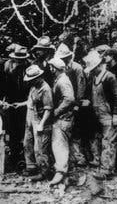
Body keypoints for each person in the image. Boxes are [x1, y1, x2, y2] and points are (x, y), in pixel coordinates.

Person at [85, 49, 117, 179]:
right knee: (99, 138)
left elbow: (116, 98)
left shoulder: (109, 77)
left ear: (100, 65)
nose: (93, 71)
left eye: (94, 68)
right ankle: (100, 163)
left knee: (109, 142)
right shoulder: (94, 77)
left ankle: (107, 170)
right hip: (97, 113)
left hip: (108, 115)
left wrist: (116, 115)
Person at [22, 64, 53, 182]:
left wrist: (41, 124)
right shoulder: (33, 87)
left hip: (40, 119)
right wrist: (20, 104)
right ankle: (31, 166)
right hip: (30, 116)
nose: (31, 82)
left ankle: (44, 172)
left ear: (39, 77)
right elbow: (30, 101)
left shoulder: (45, 89)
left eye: (33, 80)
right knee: (27, 142)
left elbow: (48, 109)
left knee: (40, 148)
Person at [48, 57, 75, 185]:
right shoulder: (60, 79)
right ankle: (63, 171)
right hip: (63, 117)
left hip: (63, 118)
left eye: (52, 67)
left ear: (56, 68)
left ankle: (60, 172)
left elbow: (69, 99)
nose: (50, 69)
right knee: (59, 145)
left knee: (59, 145)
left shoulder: (63, 81)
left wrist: (56, 112)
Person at [3, 45, 30, 170]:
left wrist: (25, 102)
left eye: (22, 60)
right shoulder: (8, 66)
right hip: (11, 102)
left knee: (24, 129)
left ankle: (25, 157)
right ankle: (13, 156)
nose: (19, 62)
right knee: (11, 130)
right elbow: (4, 83)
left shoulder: (29, 67)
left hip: (25, 103)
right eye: (17, 59)